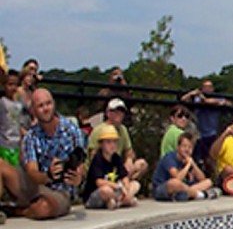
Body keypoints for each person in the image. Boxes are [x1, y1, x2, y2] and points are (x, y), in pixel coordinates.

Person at [19, 88, 86, 219]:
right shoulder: (30, 137)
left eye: (48, 103)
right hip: (37, 185)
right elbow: (32, 172)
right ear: (33, 110)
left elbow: (81, 162)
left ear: (54, 103)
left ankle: (17, 211)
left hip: (61, 191)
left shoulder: (72, 130)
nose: (46, 109)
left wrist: (78, 178)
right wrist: (48, 175)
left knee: (43, 209)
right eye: (40, 106)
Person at [86, 98, 149, 184]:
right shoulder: (98, 130)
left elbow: (129, 151)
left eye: (121, 111)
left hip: (117, 166)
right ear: (108, 113)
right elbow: (92, 155)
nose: (119, 114)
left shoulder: (123, 129)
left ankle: (123, 185)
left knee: (141, 164)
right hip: (102, 169)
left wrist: (129, 160)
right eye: (115, 111)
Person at [82, 124, 139, 209]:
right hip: (96, 194)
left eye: (114, 142)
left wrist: (126, 188)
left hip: (116, 190)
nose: (112, 145)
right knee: (106, 190)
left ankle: (118, 200)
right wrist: (117, 186)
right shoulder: (97, 159)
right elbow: (99, 182)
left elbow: (124, 176)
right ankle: (122, 201)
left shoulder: (116, 158)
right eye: (108, 142)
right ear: (101, 144)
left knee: (135, 185)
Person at [152, 132, 218, 201]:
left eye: (190, 147)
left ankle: (183, 195)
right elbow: (177, 178)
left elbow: (202, 179)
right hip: (163, 188)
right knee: (174, 183)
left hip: (183, 187)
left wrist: (193, 164)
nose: (187, 149)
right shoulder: (170, 157)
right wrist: (188, 165)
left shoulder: (189, 159)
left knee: (208, 182)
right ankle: (201, 195)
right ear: (178, 147)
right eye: (184, 146)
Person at [181, 80, 228, 169]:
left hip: (212, 134)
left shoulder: (217, 98)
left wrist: (205, 100)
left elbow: (225, 102)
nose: (207, 89)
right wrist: (192, 93)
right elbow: (183, 100)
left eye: (209, 87)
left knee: (210, 160)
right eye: (205, 87)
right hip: (198, 135)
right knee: (195, 159)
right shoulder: (197, 99)